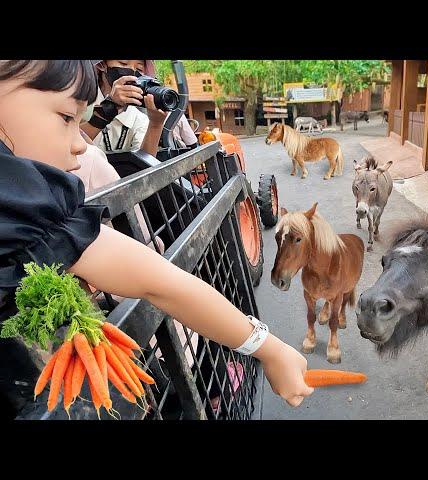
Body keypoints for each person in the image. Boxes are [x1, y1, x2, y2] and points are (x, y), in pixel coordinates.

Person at [0, 60, 313, 417]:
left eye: (78, 119)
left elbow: (154, 158)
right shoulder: (22, 192)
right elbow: (158, 284)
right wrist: (269, 348)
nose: (79, 146)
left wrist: (157, 122)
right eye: (65, 117)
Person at [80, 60, 167, 157]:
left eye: (139, 69)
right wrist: (109, 108)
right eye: (123, 63)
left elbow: (146, 164)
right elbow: (69, 145)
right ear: (102, 65)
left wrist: (155, 125)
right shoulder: (81, 102)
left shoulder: (138, 119)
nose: (131, 72)